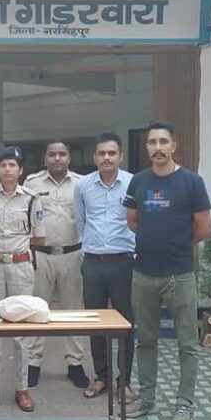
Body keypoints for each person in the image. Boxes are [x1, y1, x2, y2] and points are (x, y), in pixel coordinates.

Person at [123, 120, 211, 420]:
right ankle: (146, 398)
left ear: (174, 146)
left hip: (180, 275)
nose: (158, 148)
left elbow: (203, 227)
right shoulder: (138, 181)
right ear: (147, 147)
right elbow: (133, 221)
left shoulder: (192, 182)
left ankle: (184, 405)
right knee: (145, 340)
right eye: (152, 142)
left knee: (187, 344)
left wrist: (176, 245)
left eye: (163, 142)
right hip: (143, 274)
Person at [0, 146, 45, 412]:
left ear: (21, 170)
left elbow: (39, 237)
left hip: (20, 267)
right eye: (3, 165)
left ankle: (22, 389)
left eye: (13, 165)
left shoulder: (32, 198)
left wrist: (16, 250)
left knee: (21, 329)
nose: (8, 169)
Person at [73, 132, 136, 402]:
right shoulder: (83, 186)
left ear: (121, 156)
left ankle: (125, 381)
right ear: (95, 157)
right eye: (102, 153)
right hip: (94, 264)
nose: (107, 157)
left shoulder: (134, 183)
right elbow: (80, 221)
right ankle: (102, 377)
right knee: (95, 322)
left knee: (126, 324)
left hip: (124, 263)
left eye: (112, 153)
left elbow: (139, 220)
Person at [23, 140, 89, 389]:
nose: (57, 158)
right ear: (45, 158)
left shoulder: (82, 183)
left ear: (69, 157)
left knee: (74, 311)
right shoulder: (32, 183)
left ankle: (75, 364)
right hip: (41, 255)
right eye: (52, 154)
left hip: (72, 254)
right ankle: (32, 363)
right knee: (37, 309)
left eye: (62, 154)